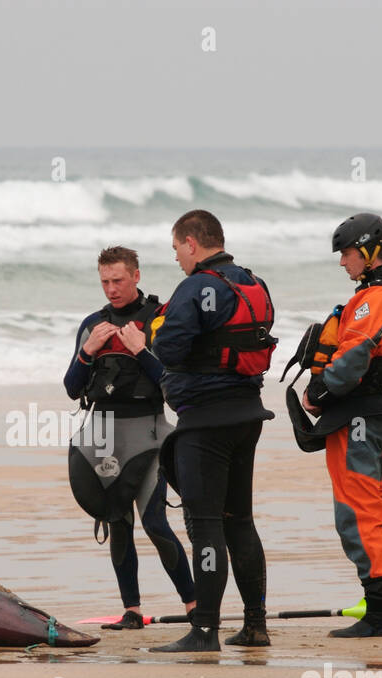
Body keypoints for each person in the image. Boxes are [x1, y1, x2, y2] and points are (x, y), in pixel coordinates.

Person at [145, 210, 276, 652]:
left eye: (177, 249)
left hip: (205, 422)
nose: (178, 258)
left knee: (205, 528)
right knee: (240, 521)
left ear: (192, 243)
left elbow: (169, 346)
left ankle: (204, 631)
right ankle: (255, 626)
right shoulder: (253, 283)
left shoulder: (196, 286)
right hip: (247, 416)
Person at [287, 212, 382, 637]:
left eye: (345, 254)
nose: (342, 262)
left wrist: (317, 392)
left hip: (361, 415)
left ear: (368, 251)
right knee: (367, 510)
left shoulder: (376, 296)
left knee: (359, 514)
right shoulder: (379, 293)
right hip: (365, 415)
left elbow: (355, 354)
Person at [63, 246, 196, 629]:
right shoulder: (93, 325)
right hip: (104, 434)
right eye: (104, 281)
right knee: (118, 522)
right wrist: (88, 352)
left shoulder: (157, 319)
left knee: (155, 522)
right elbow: (73, 388)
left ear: (136, 276)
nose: (111, 289)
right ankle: (132, 611)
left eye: (118, 280)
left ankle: (193, 606)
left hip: (150, 433)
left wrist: (141, 351)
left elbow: (173, 386)